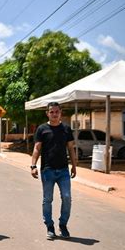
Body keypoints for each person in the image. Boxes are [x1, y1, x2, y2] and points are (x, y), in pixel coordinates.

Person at [31, 101, 77, 240]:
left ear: (60, 112)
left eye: (56, 111)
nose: (54, 114)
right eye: (51, 112)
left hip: (63, 170)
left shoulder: (66, 129)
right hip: (47, 170)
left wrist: (74, 166)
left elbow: (71, 149)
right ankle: (49, 226)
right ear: (47, 113)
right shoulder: (42, 129)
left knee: (67, 197)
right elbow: (37, 149)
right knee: (47, 199)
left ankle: (63, 225)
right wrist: (33, 166)